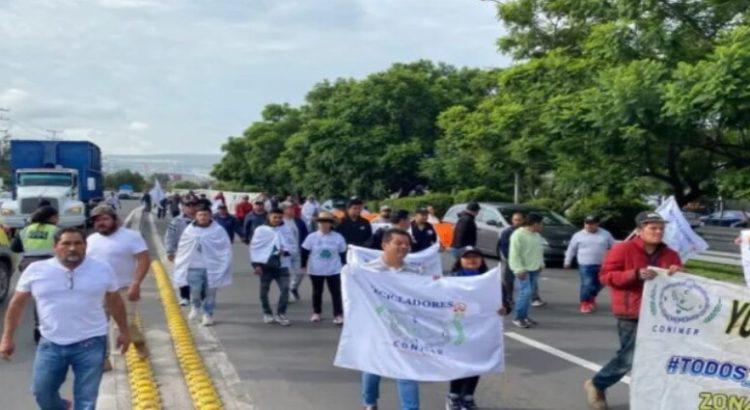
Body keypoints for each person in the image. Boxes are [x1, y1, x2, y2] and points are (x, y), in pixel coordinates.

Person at [0, 227, 130, 410]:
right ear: (55, 247)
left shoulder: (102, 269)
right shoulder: (36, 270)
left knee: (86, 400)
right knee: (42, 392)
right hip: (51, 343)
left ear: (85, 246)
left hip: (91, 343)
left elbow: (115, 302)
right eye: (66, 243)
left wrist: (125, 332)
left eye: (78, 243)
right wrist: (7, 338)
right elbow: (17, 305)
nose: (72, 248)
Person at [584, 211, 681, 410]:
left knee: (647, 357)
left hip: (660, 316)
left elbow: (683, 282)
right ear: (639, 230)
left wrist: (680, 273)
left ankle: (645, 397)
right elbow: (605, 277)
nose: (658, 232)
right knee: (631, 357)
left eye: (661, 228)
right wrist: (634, 274)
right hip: (631, 312)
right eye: (653, 228)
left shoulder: (671, 254)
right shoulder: (623, 249)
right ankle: (597, 384)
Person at [354, 228, 420, 410]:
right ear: (384, 245)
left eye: (407, 244)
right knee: (373, 369)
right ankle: (370, 402)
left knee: (407, 371)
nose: (404, 247)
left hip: (405, 330)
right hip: (376, 329)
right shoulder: (366, 272)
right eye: (398, 243)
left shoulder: (415, 273)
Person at [445, 246, 509, 410]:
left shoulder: (491, 281)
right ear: (460, 260)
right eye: (467, 257)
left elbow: (506, 303)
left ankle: (468, 396)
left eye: (476, 256)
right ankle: (453, 396)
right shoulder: (450, 280)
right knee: (460, 363)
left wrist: (505, 309)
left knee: (477, 362)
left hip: (482, 330)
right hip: (459, 327)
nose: (472, 260)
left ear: (482, 260)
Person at [86, 204, 150, 368]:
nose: (101, 223)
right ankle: (103, 359)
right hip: (97, 290)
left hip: (124, 288)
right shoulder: (91, 240)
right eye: (97, 220)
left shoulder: (131, 236)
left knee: (121, 325)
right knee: (97, 327)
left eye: (105, 219)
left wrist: (136, 283)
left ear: (114, 219)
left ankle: (136, 341)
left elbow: (143, 259)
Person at [173, 205, 233, 326]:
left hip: (213, 267)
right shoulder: (190, 230)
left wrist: (223, 264)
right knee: (195, 290)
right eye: (200, 215)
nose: (203, 217)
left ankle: (208, 314)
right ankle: (195, 306)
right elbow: (183, 247)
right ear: (196, 216)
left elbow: (225, 248)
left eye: (205, 215)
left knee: (210, 293)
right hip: (194, 266)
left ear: (210, 216)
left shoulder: (218, 230)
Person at [10, 205, 59, 343]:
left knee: (38, 298)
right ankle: (46, 327)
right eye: (56, 216)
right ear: (51, 217)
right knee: (49, 298)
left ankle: (38, 329)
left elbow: (15, 248)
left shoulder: (26, 230)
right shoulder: (56, 230)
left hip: (28, 266)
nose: (58, 219)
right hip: (49, 266)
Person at [301, 211, 347, 324]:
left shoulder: (338, 237)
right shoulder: (311, 237)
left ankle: (338, 314)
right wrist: (303, 265)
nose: (323, 224)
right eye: (321, 222)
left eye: (326, 222)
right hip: (316, 269)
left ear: (331, 224)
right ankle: (316, 312)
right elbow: (304, 251)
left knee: (336, 292)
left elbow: (343, 253)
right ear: (317, 223)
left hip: (334, 269)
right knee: (317, 292)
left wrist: (345, 266)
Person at [564, 215, 616, 314]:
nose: (588, 226)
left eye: (591, 224)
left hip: (602, 264)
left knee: (602, 283)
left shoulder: (605, 234)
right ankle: (585, 303)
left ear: (597, 224)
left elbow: (614, 246)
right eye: (587, 223)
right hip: (585, 264)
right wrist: (567, 261)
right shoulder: (578, 235)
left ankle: (591, 297)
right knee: (587, 284)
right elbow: (571, 249)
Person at [250, 209, 293, 326]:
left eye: (280, 217)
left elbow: (291, 245)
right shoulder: (260, 230)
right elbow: (255, 247)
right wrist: (256, 265)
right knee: (264, 291)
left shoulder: (286, 229)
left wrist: (285, 251)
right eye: (275, 217)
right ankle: (267, 312)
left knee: (285, 289)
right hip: (265, 265)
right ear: (269, 216)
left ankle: (281, 313)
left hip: (282, 265)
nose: (277, 220)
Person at [509, 212, 545, 328]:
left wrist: (541, 264)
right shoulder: (518, 235)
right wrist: (518, 269)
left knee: (529, 295)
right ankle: (518, 318)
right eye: (540, 224)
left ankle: (524, 316)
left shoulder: (537, 235)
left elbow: (539, 251)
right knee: (526, 293)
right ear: (534, 224)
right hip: (523, 270)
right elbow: (514, 254)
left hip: (535, 268)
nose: (542, 226)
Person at [166, 198, 199, 306]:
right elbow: (170, 236)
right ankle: (185, 297)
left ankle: (198, 296)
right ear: (183, 207)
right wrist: (170, 251)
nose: (190, 208)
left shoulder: (204, 219)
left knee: (199, 276)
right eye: (188, 206)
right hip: (182, 253)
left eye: (193, 205)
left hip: (199, 253)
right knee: (182, 275)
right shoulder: (177, 221)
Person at [281, 201, 309, 302]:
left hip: (297, 251)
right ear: (284, 210)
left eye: (293, 208)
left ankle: (293, 288)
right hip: (284, 253)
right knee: (286, 274)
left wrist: (306, 249)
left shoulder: (299, 221)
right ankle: (286, 294)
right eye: (290, 209)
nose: (293, 210)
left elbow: (306, 235)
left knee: (300, 273)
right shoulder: (279, 221)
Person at [498, 211, 525, 308]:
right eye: (515, 220)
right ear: (512, 221)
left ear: (523, 221)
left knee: (526, 279)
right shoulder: (507, 232)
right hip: (509, 260)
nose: (517, 222)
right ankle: (508, 297)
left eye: (519, 220)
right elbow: (503, 246)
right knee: (508, 280)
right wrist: (510, 259)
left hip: (522, 260)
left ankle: (533, 297)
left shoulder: (524, 232)